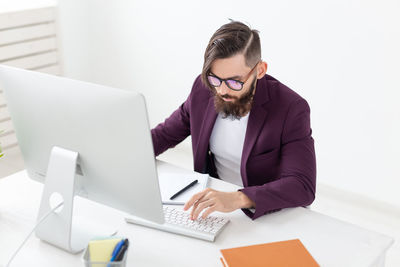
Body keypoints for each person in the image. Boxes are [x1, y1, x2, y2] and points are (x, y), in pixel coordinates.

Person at [151, 20, 316, 220]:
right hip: (216, 204)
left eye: (234, 82)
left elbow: (302, 185)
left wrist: (239, 198)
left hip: (268, 212)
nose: (222, 90)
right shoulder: (204, 89)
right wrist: (123, 155)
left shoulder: (291, 108)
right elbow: (165, 134)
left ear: (260, 70)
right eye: (215, 79)